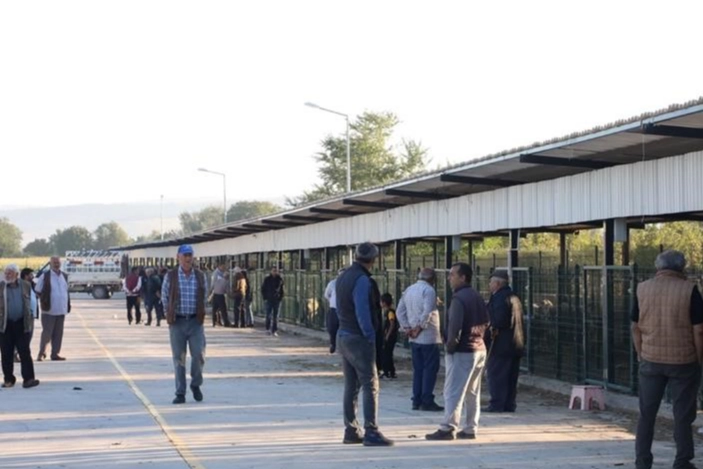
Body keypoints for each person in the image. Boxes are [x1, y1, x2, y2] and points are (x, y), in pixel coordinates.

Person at [631, 250, 703, 469]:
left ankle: (642, 461)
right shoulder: (689, 290)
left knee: (647, 414)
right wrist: (699, 358)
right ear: (682, 267)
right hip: (683, 361)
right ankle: (682, 461)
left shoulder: (642, 289)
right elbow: (699, 330)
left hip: (650, 360)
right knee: (682, 415)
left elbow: (635, 326)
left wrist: (640, 352)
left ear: (658, 267)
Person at [335, 242, 393, 447]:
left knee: (351, 385)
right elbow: (363, 311)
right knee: (370, 384)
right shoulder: (362, 280)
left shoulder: (343, 277)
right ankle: (371, 431)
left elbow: (336, 308)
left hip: (343, 334)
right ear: (374, 259)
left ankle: (351, 430)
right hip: (358, 337)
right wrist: (370, 336)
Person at [426, 263, 489, 441]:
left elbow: (455, 327)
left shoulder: (459, 299)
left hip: (463, 350)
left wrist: (450, 347)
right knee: (472, 392)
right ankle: (470, 428)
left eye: (452, 274)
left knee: (453, 391)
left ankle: (448, 427)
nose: (449, 278)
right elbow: (487, 321)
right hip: (479, 348)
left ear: (463, 277)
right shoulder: (477, 296)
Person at [162, 244, 208, 404]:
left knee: (199, 355)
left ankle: (196, 384)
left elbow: (204, 296)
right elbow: (165, 296)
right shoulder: (171, 276)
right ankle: (180, 392)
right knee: (179, 358)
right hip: (177, 322)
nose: (188, 258)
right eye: (185, 255)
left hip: (195, 322)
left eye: (190, 255)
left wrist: (201, 312)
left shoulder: (200, 276)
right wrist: (168, 314)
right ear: (178, 257)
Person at [396, 268, 443, 411]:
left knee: (418, 370)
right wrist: (419, 328)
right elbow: (427, 312)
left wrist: (406, 327)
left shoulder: (409, 290)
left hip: (413, 338)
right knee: (430, 369)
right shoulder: (429, 290)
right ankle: (426, 399)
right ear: (433, 279)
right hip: (428, 336)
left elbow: (399, 311)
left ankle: (416, 399)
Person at [484, 269, 525, 413]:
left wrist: (489, 326)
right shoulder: (514, 296)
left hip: (501, 343)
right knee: (511, 376)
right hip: (516, 342)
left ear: (497, 283)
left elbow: (499, 320)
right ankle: (509, 404)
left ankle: (497, 404)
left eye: (491, 282)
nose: (489, 285)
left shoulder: (499, 298)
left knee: (497, 375)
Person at [0, 264, 40, 388]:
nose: (7, 275)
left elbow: (30, 301)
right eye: (6, 273)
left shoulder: (25, 285)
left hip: (21, 323)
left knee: (24, 352)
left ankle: (28, 379)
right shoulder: (1, 286)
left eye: (10, 273)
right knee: (6, 353)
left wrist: (32, 316)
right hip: (5, 324)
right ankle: (8, 379)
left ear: (17, 274)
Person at [35, 256, 70, 362]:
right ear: (50, 264)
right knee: (47, 333)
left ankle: (55, 354)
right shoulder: (45, 276)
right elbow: (37, 290)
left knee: (58, 334)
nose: (56, 264)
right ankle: (41, 353)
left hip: (61, 310)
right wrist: (44, 301)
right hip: (49, 310)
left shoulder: (64, 276)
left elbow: (66, 291)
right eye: (54, 262)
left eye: (58, 262)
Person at [15, 268, 38, 363]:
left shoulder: (31, 285)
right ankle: (15, 354)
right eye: (31, 275)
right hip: (24, 315)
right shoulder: (20, 286)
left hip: (31, 314)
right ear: (26, 276)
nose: (32, 277)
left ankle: (23, 354)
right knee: (22, 336)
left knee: (29, 335)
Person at [324, 269, 344, 353]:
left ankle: (342, 346)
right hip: (334, 308)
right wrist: (332, 301)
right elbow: (326, 295)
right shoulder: (332, 283)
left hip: (345, 310)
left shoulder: (348, 284)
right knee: (332, 328)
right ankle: (333, 343)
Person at [261, 266, 284, 336]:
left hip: (277, 299)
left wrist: (280, 297)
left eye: (276, 271)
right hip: (269, 299)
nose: (274, 272)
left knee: (276, 316)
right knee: (268, 315)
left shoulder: (279, 279)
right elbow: (263, 289)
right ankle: (267, 329)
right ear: (271, 271)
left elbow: (282, 290)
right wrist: (265, 297)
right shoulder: (267, 279)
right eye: (273, 271)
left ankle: (274, 330)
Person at [380, 293, 398, 379]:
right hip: (388, 336)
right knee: (387, 354)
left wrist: (387, 335)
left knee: (387, 354)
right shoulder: (386, 312)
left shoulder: (390, 312)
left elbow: (392, 324)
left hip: (390, 337)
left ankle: (388, 371)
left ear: (384, 302)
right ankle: (389, 371)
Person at [209, 263, 231, 327]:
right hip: (221, 296)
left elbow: (213, 285)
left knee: (214, 309)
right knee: (223, 310)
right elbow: (227, 290)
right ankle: (226, 322)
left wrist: (210, 291)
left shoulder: (218, 279)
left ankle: (214, 321)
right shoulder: (225, 281)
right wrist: (229, 294)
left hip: (215, 294)